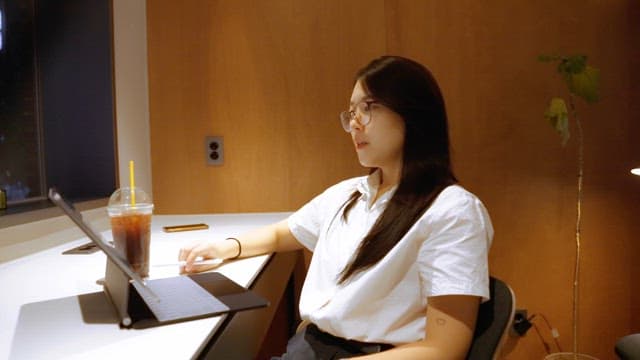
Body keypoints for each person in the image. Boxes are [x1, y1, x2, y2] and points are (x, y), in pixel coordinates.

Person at [179, 55, 493, 359]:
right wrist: (225, 248)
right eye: (351, 112)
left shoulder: (452, 211)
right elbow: (281, 234)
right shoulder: (351, 194)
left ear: (412, 113)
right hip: (308, 347)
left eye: (367, 108)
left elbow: (443, 349)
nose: (354, 124)